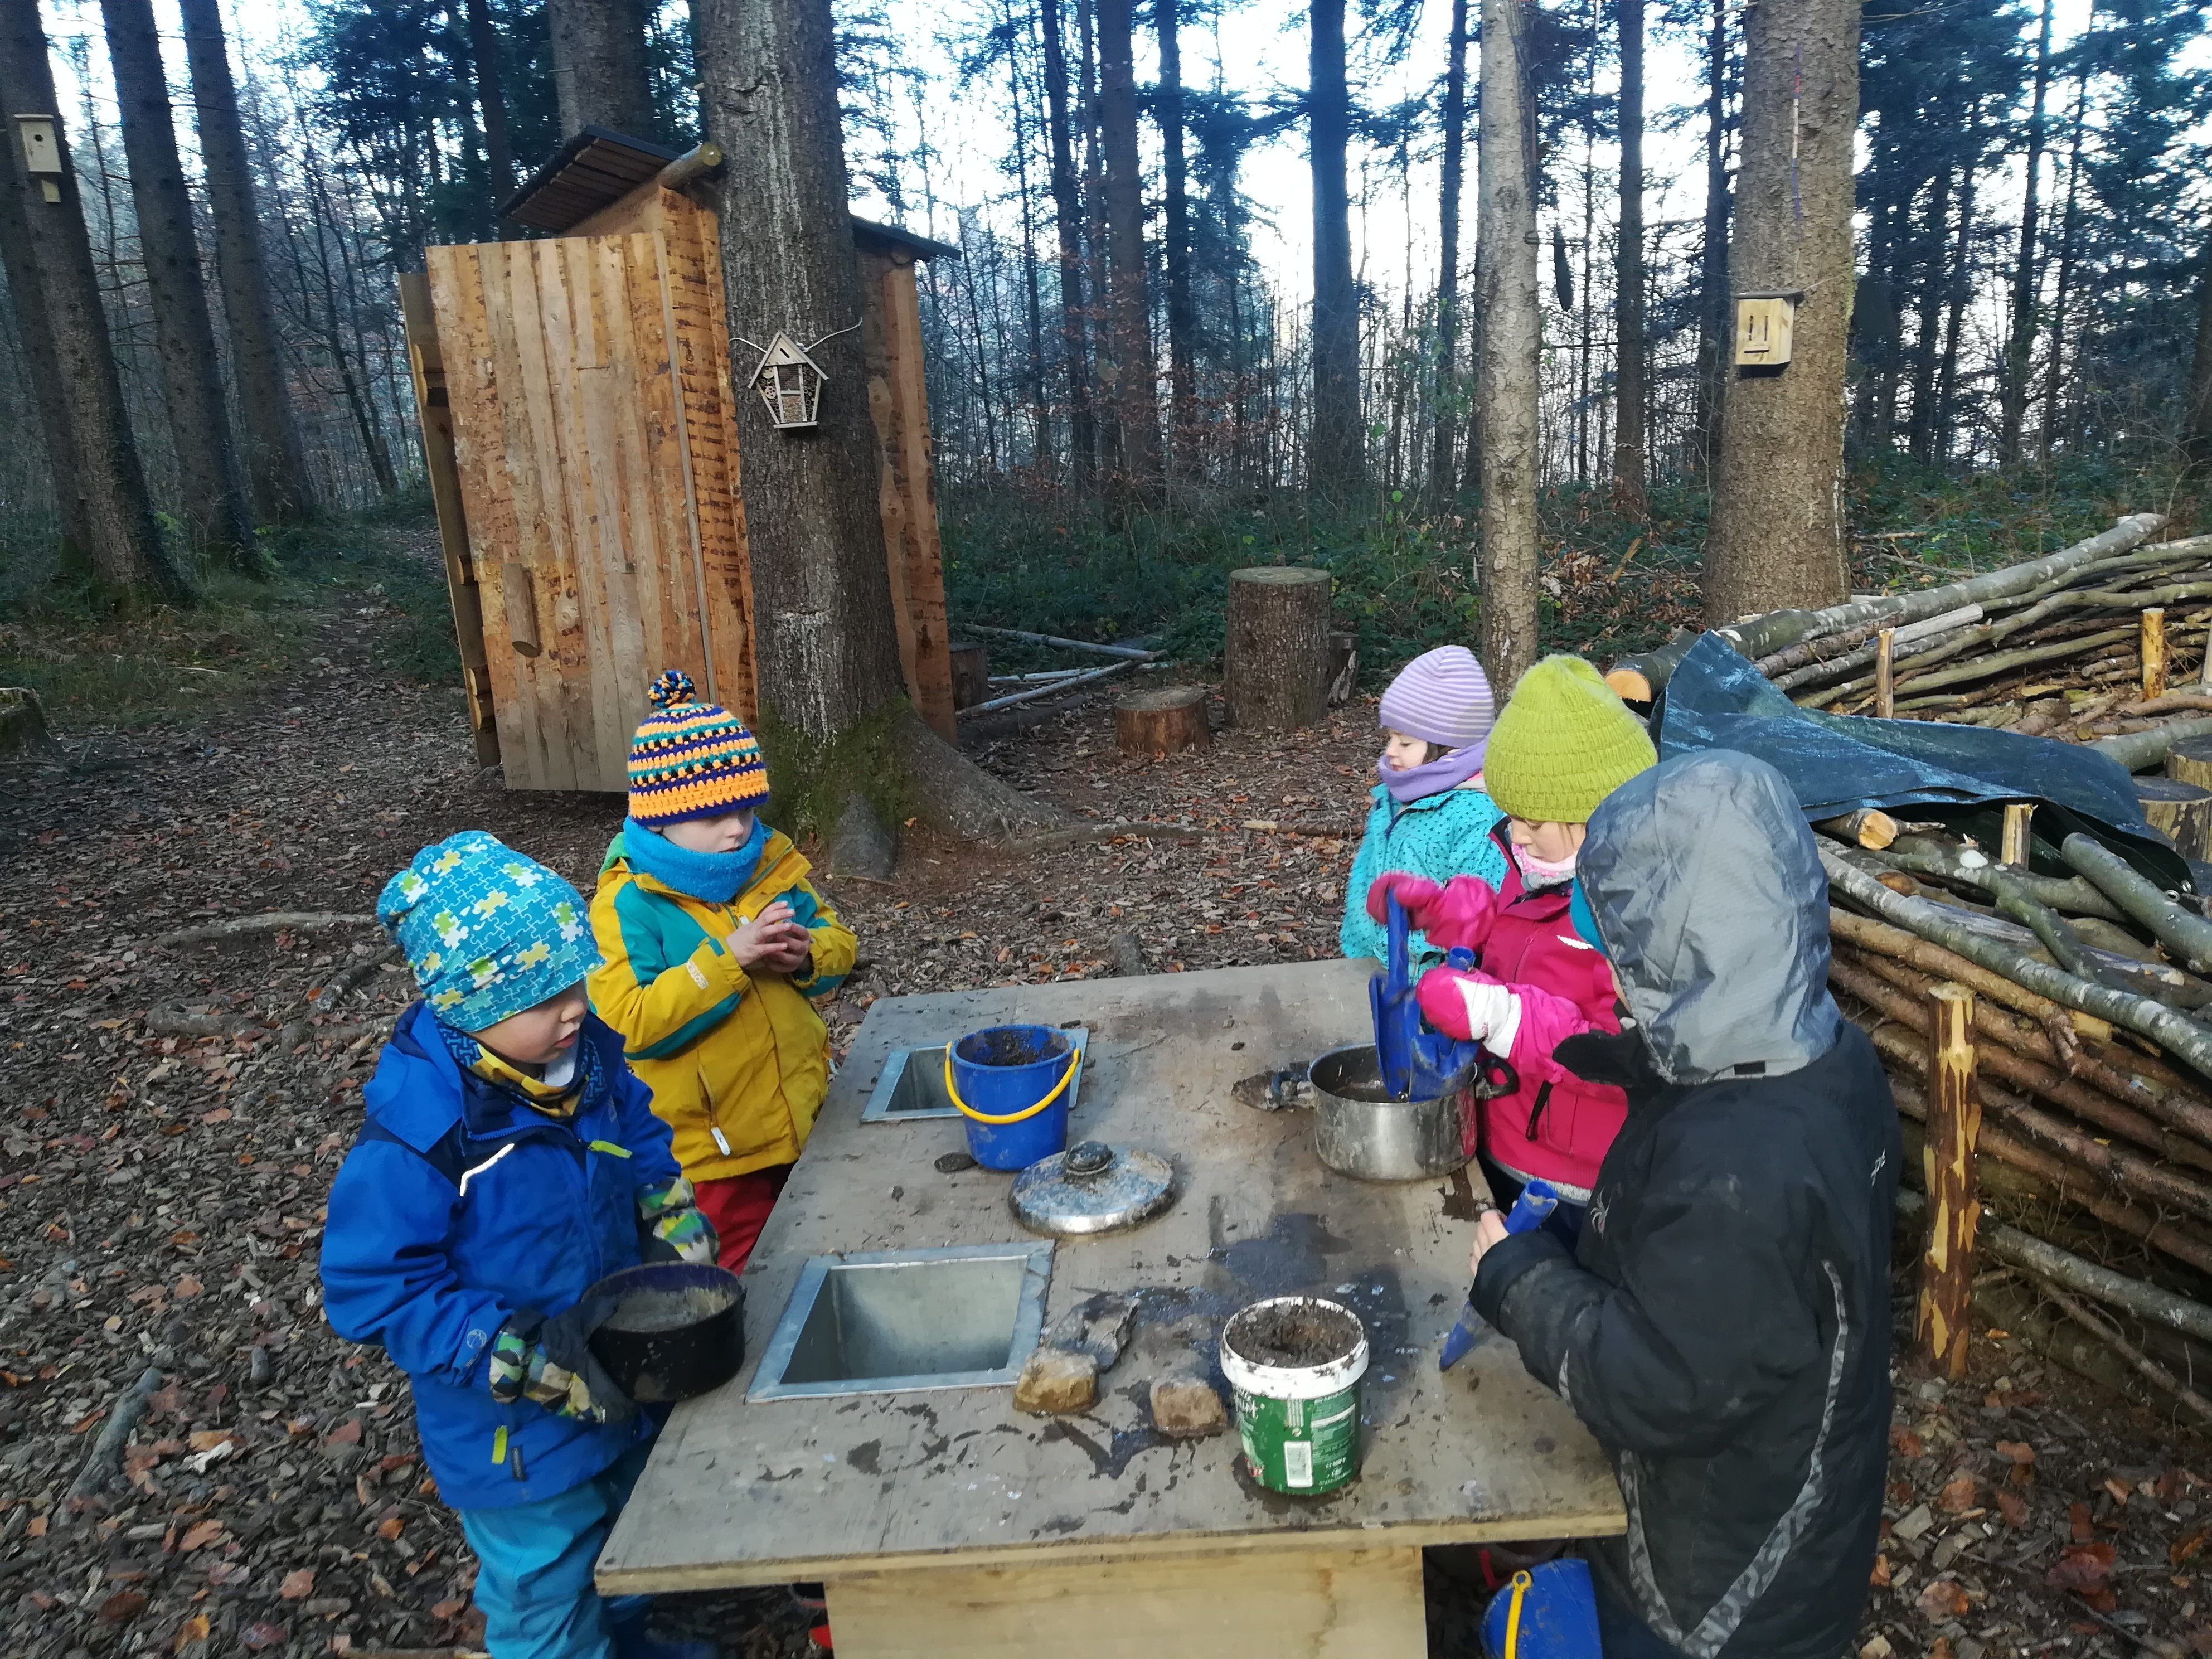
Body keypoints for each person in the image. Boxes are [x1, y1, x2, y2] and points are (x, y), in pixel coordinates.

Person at [1468, 749, 1900, 1659]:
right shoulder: (1825, 1061)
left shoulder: (1738, 1175)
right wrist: (1618, 1063)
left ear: (1683, 962)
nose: (1615, 985)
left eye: (1626, 965)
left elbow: (1655, 1383)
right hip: (1794, 1492)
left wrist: (1513, 1280)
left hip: (1724, 1589)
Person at [321, 831, 719, 1659]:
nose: (572, 1007)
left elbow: (639, 1139)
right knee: (545, 1584)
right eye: (540, 998)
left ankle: (630, 1640)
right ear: (466, 1006)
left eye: (572, 980)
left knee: (628, 1536)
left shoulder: (590, 1058)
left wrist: (671, 1217)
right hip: (513, 1428)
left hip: (619, 1360)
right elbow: (373, 1288)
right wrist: (515, 1354)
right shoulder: (423, 1135)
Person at [1368, 654, 1657, 1231]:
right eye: (1512, 813)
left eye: (1532, 819)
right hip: (1503, 1135)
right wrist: (1443, 911)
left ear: (1596, 812)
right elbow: (1507, 922)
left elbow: (1631, 1061)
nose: (1516, 833)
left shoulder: (1640, 913)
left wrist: (1499, 1014)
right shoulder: (1532, 858)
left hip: (1581, 1181)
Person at [589, 670, 857, 1275]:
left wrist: (807, 956)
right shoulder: (629, 903)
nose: (736, 828)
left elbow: (838, 939)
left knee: (822, 1248)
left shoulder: (767, 861)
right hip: (713, 1151)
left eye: (744, 807)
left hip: (803, 1113)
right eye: (712, 816)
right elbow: (627, 1023)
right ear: (659, 820)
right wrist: (727, 961)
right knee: (744, 1275)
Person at [1340, 644, 1508, 967]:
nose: (1390, 751)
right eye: (1390, 737)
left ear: (1450, 747)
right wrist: (1360, 944)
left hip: (1434, 980)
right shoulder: (1393, 798)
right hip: (1373, 962)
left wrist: (1433, 967)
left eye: (1405, 742)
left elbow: (1477, 911)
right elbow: (1365, 877)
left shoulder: (1476, 815)